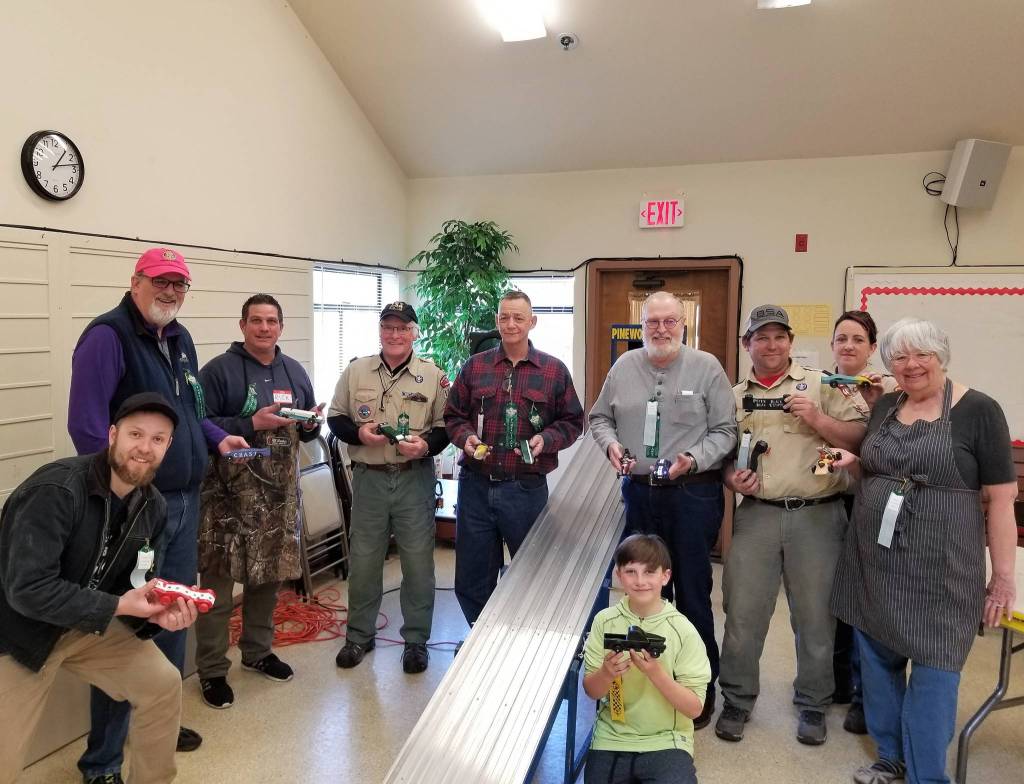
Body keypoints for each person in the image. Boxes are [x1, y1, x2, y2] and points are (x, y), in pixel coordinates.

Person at [68, 247, 248, 781]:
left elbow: (189, 410)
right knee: (126, 629)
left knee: (172, 616)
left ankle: (160, 720)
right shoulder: (107, 337)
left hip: (186, 499)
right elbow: (86, 428)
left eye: (179, 285)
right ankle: (101, 761)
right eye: (161, 282)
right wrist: (121, 501)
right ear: (136, 282)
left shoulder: (180, 339)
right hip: (140, 507)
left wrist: (217, 439)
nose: (170, 292)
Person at [831, 317, 1017, 784]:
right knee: (877, 663)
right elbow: (876, 471)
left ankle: (927, 776)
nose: (911, 366)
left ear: (942, 356)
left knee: (936, 672)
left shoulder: (980, 411)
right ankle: (890, 758)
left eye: (922, 355)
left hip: (943, 566)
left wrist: (1002, 577)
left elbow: (999, 500)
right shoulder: (887, 404)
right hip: (874, 558)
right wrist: (853, 464)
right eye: (899, 357)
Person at [0, 394, 201, 784]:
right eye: (135, 434)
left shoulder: (152, 506)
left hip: (86, 627)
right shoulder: (57, 490)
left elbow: (138, 586)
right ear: (112, 435)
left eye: (158, 439)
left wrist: (159, 615)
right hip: (17, 635)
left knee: (162, 683)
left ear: (168, 446)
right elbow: (26, 589)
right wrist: (116, 606)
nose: (144, 448)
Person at [715, 304, 866, 747]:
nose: (771, 344)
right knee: (742, 614)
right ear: (748, 344)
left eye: (779, 336)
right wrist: (731, 478)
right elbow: (723, 455)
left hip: (819, 515)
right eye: (761, 337)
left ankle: (814, 704)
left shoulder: (820, 385)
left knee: (816, 617)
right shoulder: (734, 395)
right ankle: (738, 700)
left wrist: (817, 418)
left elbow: (861, 437)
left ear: (791, 342)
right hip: (757, 515)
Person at [589, 290, 736, 729]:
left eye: (669, 321)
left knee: (691, 594)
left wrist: (693, 458)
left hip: (691, 495)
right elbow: (599, 418)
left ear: (682, 324)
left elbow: (727, 431)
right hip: (639, 494)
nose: (661, 329)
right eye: (652, 322)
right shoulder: (624, 367)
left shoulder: (707, 367)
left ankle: (698, 690)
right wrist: (611, 444)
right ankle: (645, 680)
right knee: (643, 592)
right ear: (642, 325)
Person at [194, 294, 322, 709]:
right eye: (256, 321)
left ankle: (257, 653)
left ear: (281, 327)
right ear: (242, 325)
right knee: (217, 583)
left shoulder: (294, 370)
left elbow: (304, 431)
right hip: (227, 496)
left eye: (271, 321)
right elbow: (197, 423)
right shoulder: (218, 371)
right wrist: (251, 423)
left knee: (267, 577)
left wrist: (310, 424)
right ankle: (212, 670)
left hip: (278, 496)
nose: (264, 328)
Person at [444, 290, 584, 626]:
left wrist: (546, 439)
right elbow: (453, 416)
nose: (511, 324)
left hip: (525, 490)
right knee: (472, 578)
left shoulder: (553, 371)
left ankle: (521, 641)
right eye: (504, 317)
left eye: (518, 317)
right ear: (496, 321)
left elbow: (573, 422)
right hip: (476, 487)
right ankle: (480, 636)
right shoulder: (475, 367)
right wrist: (466, 439)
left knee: (531, 575)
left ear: (532, 322)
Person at [328, 302, 450, 673]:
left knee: (417, 565)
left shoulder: (433, 376)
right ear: (379, 330)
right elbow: (335, 418)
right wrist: (359, 433)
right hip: (370, 479)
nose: (395, 335)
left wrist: (427, 444)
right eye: (388, 327)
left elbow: (447, 427)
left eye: (403, 328)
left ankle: (415, 641)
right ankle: (359, 637)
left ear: (415, 332)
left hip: (414, 478)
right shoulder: (356, 370)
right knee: (364, 562)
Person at [583, 534, 711, 784]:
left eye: (650, 572)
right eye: (631, 571)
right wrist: (606, 673)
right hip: (612, 735)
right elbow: (592, 691)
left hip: (667, 739)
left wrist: (656, 673)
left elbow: (694, 708)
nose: (640, 581)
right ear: (618, 575)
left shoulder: (682, 630)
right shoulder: (604, 621)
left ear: (665, 576)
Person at [828, 310, 899, 735]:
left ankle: (862, 694)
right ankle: (836, 682)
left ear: (873, 348)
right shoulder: (819, 387)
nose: (848, 346)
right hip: (829, 501)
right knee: (834, 597)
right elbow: (821, 446)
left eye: (858, 339)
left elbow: (877, 447)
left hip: (873, 507)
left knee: (865, 603)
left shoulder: (888, 392)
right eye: (841, 339)